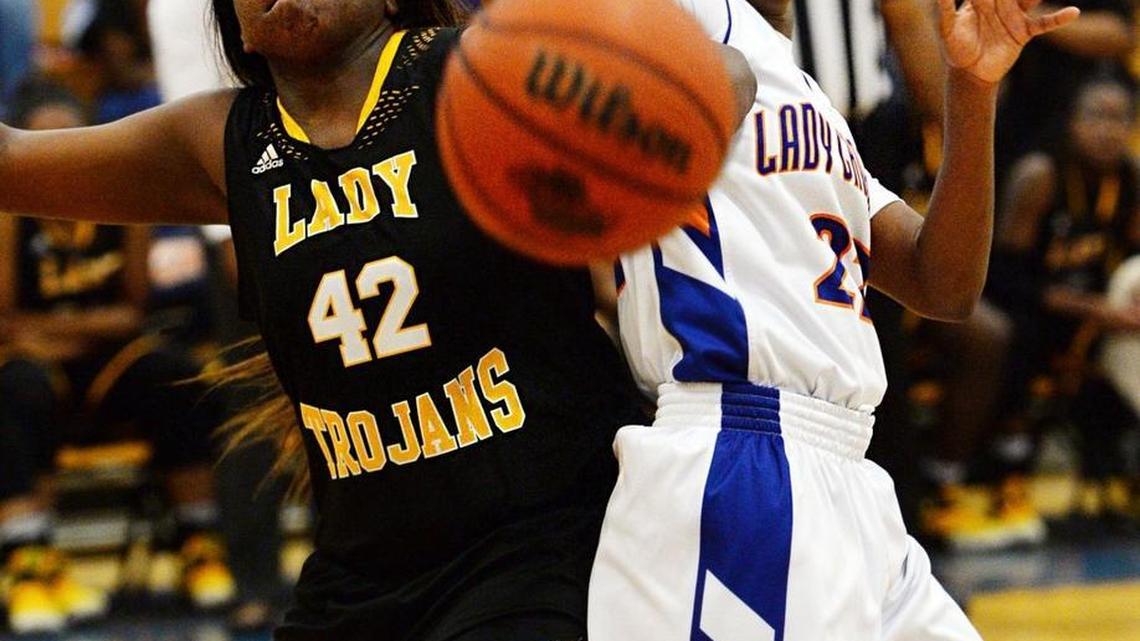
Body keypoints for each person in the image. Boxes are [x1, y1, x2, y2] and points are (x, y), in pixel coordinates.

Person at [0, 1, 736, 638]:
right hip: (359, 575)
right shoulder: (221, 142)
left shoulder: (484, 73)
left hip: (541, 542)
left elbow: (725, 79)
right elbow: (13, 164)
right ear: (238, 28)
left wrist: (648, 130)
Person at [587, 0, 1077, 640]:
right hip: (738, 457)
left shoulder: (809, 95)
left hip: (851, 477)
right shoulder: (674, 17)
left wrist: (974, 88)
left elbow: (943, 283)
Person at [0, 79, 236, 633]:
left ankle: (198, 541)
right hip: (32, 364)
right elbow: (6, 322)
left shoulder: (113, 198)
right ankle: (30, 560)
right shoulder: (8, 213)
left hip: (106, 359)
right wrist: (85, 325)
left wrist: (56, 328)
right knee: (12, 389)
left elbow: (134, 310)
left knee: (174, 375)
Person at [987, 73, 1140, 525]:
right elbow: (1004, 279)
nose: (1108, 129)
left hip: (1095, 315)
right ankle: (1004, 478)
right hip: (1029, 306)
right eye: (1097, 116)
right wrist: (1090, 309)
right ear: (1072, 122)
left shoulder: (1129, 180)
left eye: (1120, 119)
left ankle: (1117, 465)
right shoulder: (1041, 175)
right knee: (1018, 336)